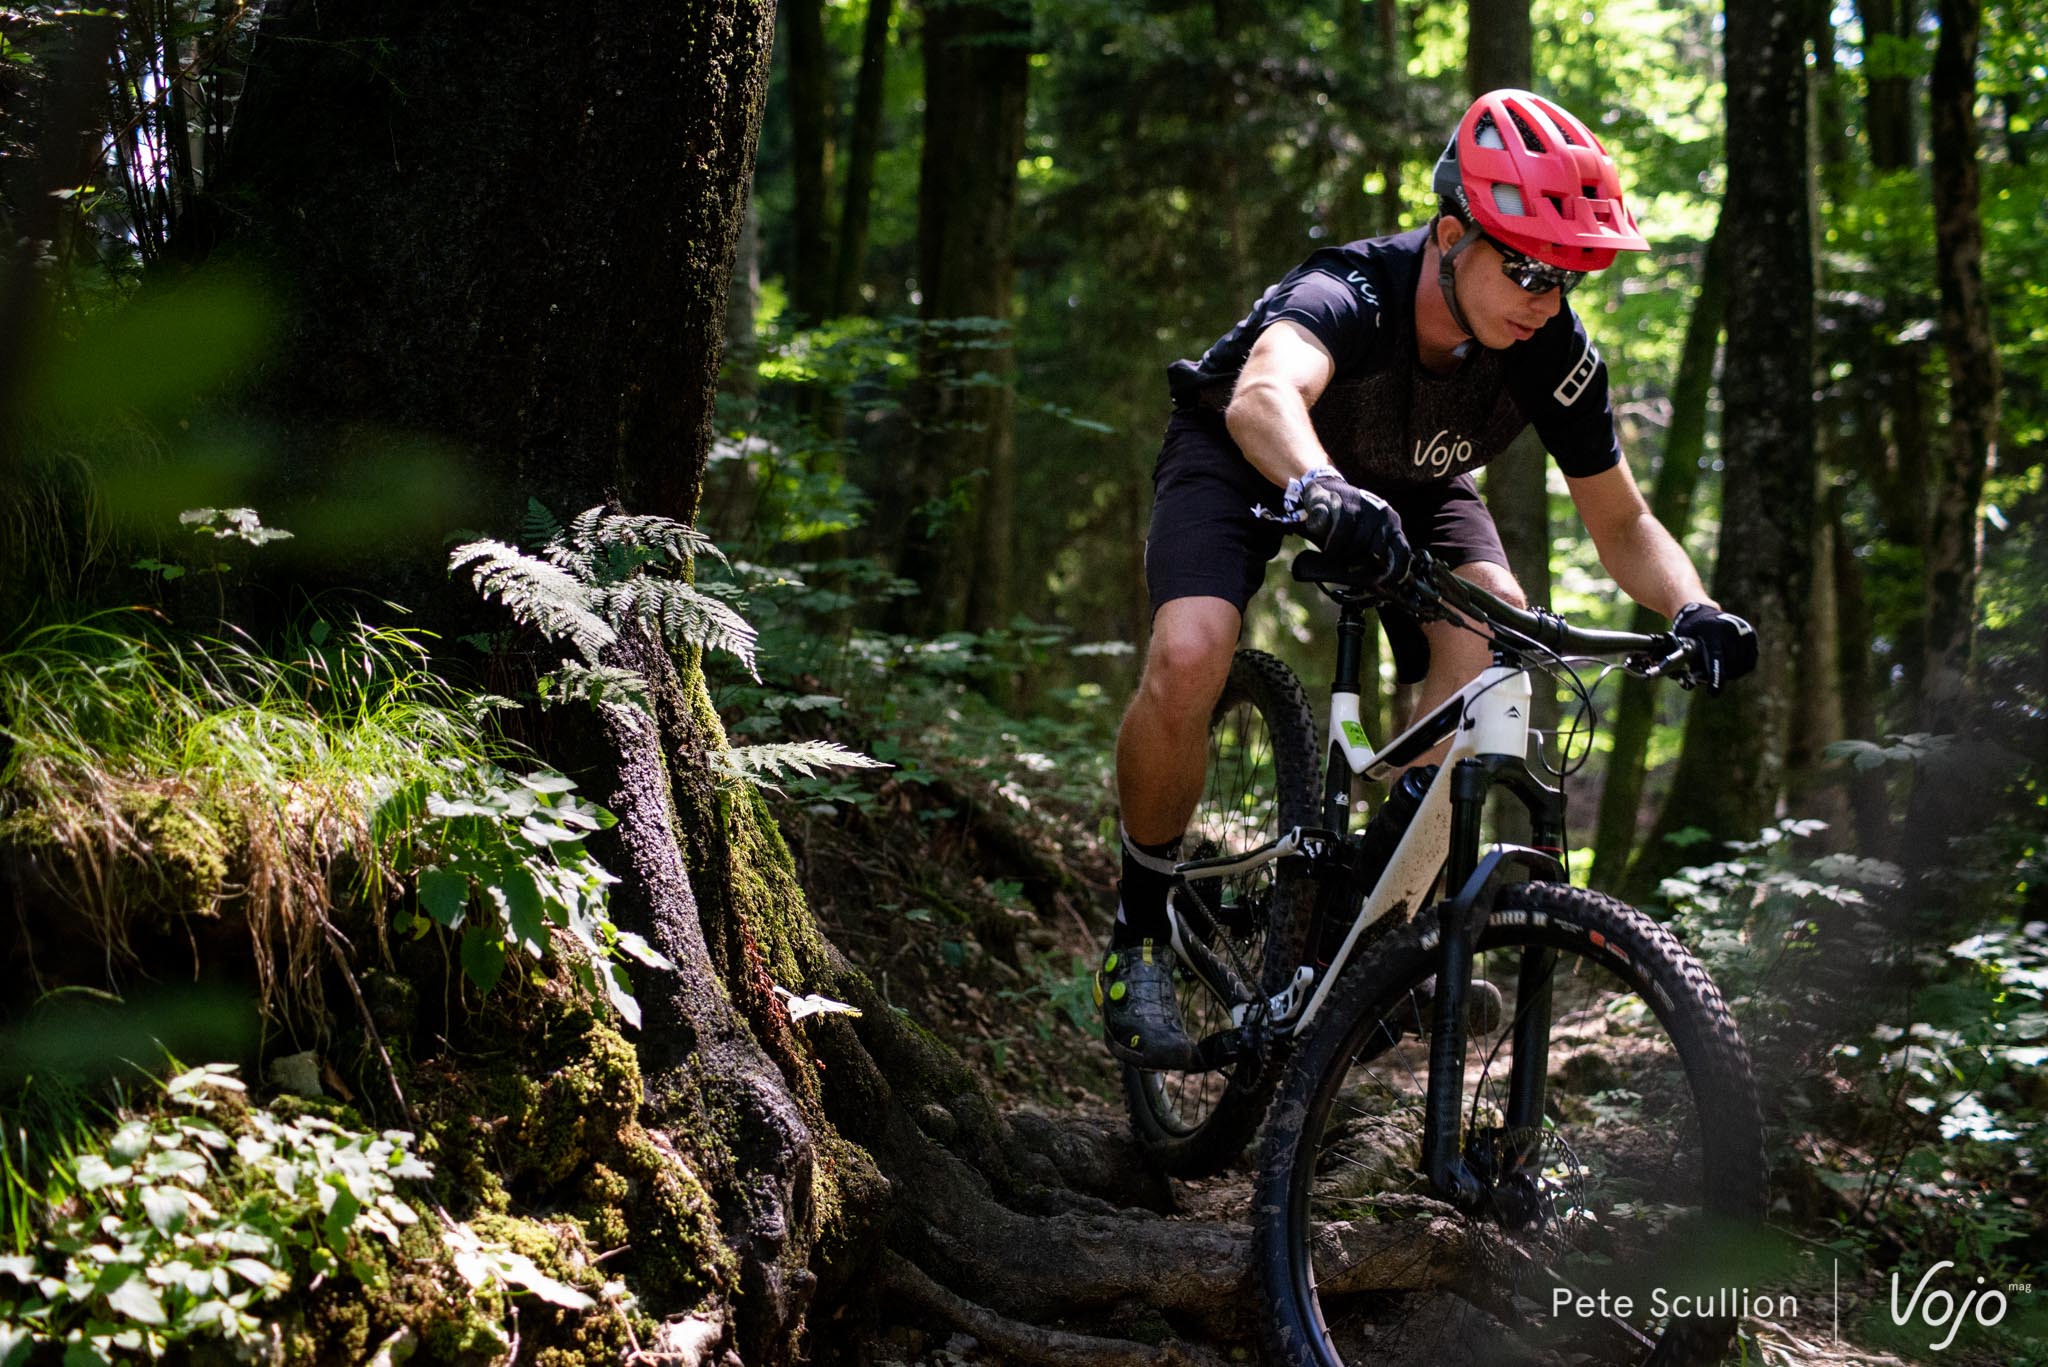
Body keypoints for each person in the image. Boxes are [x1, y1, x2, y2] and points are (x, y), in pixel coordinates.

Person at [1096, 88, 1758, 1070]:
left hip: (1408, 477)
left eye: (1569, 275)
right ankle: (1142, 924)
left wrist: (1692, 607)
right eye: (1527, 266)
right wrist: (1318, 485)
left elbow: (1621, 521)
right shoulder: (1351, 290)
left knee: (1492, 634)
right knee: (1193, 647)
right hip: (1248, 449)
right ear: (1452, 235)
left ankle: (1365, 921)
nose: (1545, 298)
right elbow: (1262, 395)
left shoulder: (1548, 348)